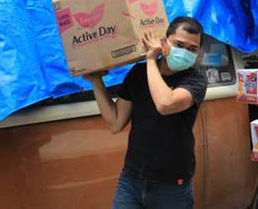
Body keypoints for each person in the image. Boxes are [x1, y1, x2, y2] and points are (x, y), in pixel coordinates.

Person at [85, 17, 208, 208]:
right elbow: (115, 123)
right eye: (179, 45)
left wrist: (151, 58)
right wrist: (95, 81)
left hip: (172, 185)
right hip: (132, 178)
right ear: (163, 41)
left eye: (192, 49)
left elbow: (165, 104)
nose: (184, 52)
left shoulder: (195, 78)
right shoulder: (138, 74)